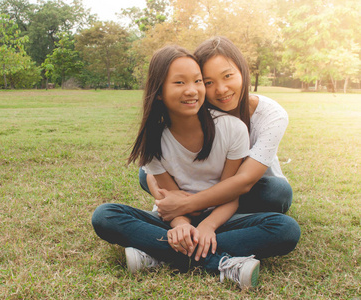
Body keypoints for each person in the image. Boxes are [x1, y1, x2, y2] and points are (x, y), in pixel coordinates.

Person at [91, 45, 300, 289]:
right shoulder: (154, 139)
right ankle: (220, 262)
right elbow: (170, 198)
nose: (192, 90)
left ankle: (156, 253)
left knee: (286, 229)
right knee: (105, 215)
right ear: (158, 91)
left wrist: (208, 225)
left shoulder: (232, 128)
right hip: (182, 215)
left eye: (197, 81)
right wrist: (181, 225)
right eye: (180, 83)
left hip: (223, 211)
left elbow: (233, 190)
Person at [141, 36, 294, 221]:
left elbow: (244, 180)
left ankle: (208, 216)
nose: (221, 89)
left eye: (228, 76)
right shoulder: (197, 105)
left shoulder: (272, 114)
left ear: (243, 71)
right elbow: (157, 157)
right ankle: (201, 216)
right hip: (201, 186)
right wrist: (161, 190)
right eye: (208, 82)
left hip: (252, 187)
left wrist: (186, 205)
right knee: (145, 174)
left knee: (278, 192)